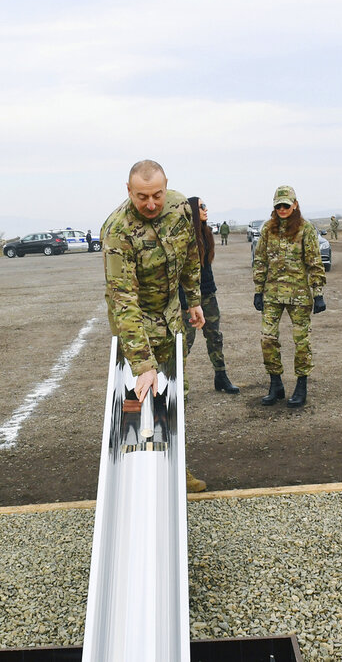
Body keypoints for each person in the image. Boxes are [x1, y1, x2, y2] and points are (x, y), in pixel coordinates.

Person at [102, 159, 208, 492]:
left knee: (176, 395)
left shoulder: (179, 208)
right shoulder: (117, 231)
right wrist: (144, 364)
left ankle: (176, 468)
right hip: (136, 324)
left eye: (156, 196)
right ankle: (138, 475)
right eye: (142, 197)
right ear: (128, 191)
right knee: (136, 399)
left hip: (171, 315)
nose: (150, 204)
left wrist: (193, 299)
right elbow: (123, 300)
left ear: (166, 188)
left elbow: (191, 253)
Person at [252, 185, 326, 408]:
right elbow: (260, 261)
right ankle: (276, 384)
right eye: (278, 206)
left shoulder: (305, 229)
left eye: (286, 205)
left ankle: (301, 386)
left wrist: (318, 293)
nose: (282, 209)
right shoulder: (267, 229)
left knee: (301, 342)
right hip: (272, 294)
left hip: (299, 296)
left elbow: (315, 262)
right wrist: (258, 291)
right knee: (267, 339)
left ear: (295, 205)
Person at [180, 197, 239, 394]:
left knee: (214, 336)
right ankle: (179, 388)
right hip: (188, 298)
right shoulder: (184, 237)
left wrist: (210, 290)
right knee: (184, 343)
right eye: (202, 207)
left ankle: (221, 376)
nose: (206, 209)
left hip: (208, 294)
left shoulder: (206, 234)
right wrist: (185, 300)